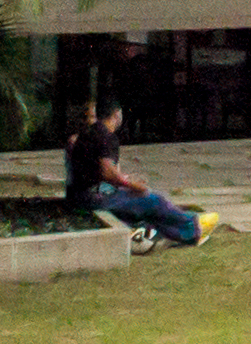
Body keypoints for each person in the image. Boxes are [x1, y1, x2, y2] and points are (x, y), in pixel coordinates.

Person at [64, 102, 216, 249]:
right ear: (117, 114)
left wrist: (124, 179)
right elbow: (108, 173)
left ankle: (178, 234)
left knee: (144, 210)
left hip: (80, 195)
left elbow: (96, 171)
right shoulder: (106, 137)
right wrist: (132, 185)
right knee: (154, 200)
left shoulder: (86, 134)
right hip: (94, 198)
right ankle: (193, 226)